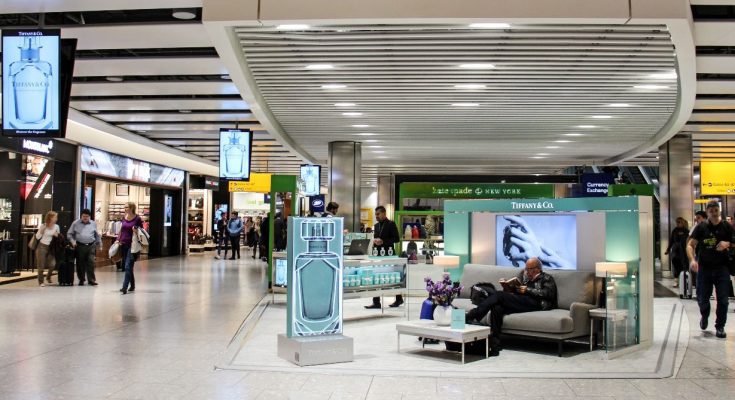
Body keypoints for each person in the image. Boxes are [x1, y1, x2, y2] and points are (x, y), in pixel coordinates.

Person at [465, 257, 558, 356]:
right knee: (497, 308)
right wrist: (508, 287)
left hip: (537, 303)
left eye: (529, 269)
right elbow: (517, 291)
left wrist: (527, 290)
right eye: (526, 269)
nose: (526, 271)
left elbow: (549, 293)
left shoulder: (547, 278)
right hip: (521, 301)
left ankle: (473, 314)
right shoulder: (524, 277)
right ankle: (495, 345)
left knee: (499, 295)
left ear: (537, 269)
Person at [687, 200, 733, 339]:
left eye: (716, 210)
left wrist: (728, 244)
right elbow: (690, 245)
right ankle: (704, 314)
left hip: (722, 268)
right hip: (705, 269)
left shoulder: (727, 226)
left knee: (723, 300)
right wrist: (692, 260)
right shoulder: (701, 227)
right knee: (702, 298)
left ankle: (720, 326)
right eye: (711, 211)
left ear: (719, 211)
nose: (714, 213)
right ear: (707, 212)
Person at [366, 206, 402, 309]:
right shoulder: (376, 226)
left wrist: (383, 241)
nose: (376, 216)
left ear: (384, 213)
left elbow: (397, 239)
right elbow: (377, 238)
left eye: (378, 214)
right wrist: (375, 241)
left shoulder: (391, 224)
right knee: (376, 276)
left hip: (389, 254)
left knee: (392, 276)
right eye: (375, 214)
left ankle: (399, 298)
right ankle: (376, 302)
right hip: (378, 254)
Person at [67, 208, 102, 286]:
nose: (85, 218)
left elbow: (97, 235)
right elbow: (69, 234)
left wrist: (99, 244)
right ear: (81, 216)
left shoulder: (93, 223)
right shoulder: (75, 223)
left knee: (91, 263)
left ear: (89, 217)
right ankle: (81, 279)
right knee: (80, 263)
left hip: (91, 246)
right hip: (80, 246)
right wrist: (73, 242)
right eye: (83, 216)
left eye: (86, 216)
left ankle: (91, 280)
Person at [116, 202, 143, 295]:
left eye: (126, 207)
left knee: (127, 266)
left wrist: (136, 231)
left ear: (132, 208)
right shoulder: (124, 217)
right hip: (123, 244)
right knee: (129, 267)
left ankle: (124, 287)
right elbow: (121, 230)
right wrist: (117, 240)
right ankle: (133, 285)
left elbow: (142, 232)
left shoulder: (137, 218)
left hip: (133, 246)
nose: (125, 208)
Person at [35, 211, 60, 287]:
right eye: (55, 217)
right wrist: (42, 231)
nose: (56, 218)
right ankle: (41, 281)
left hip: (51, 247)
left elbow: (58, 237)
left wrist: (57, 235)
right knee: (41, 265)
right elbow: (37, 237)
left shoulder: (56, 226)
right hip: (42, 246)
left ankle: (48, 277)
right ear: (50, 218)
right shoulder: (43, 226)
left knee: (53, 264)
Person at [664, 217, 689, 288]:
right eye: (677, 222)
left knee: (684, 265)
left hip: (684, 250)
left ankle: (685, 280)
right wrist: (668, 250)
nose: (678, 223)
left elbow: (689, 242)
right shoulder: (675, 230)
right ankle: (676, 280)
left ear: (682, 222)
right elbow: (671, 240)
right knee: (675, 264)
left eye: (679, 222)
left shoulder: (686, 231)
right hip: (675, 250)